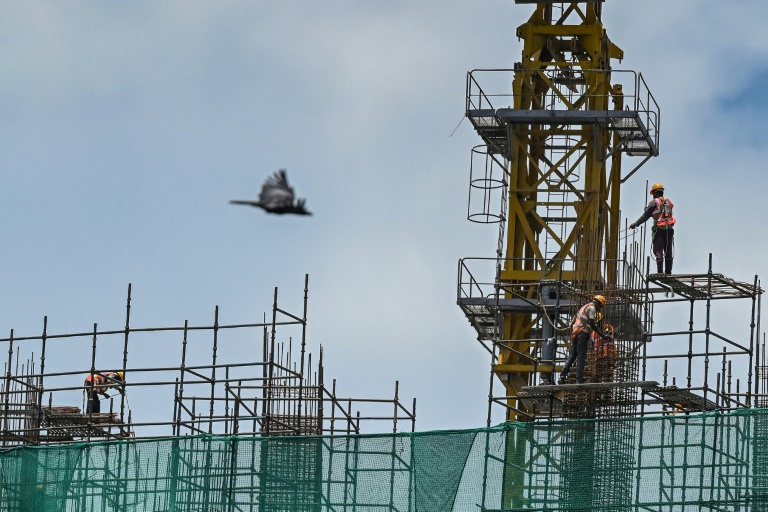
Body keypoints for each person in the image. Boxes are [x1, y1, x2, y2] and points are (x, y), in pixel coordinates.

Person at [629, 182, 676, 275]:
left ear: (655, 192)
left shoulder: (654, 202)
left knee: (658, 250)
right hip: (669, 229)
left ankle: (660, 272)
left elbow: (645, 216)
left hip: (659, 229)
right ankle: (668, 272)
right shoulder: (669, 202)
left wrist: (635, 224)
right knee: (668, 250)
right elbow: (663, 214)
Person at [559, 295, 607, 384]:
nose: (600, 309)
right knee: (581, 356)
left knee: (573, 355)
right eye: (600, 306)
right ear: (598, 303)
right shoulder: (592, 308)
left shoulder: (584, 307)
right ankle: (579, 379)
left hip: (576, 332)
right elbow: (592, 324)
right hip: (582, 333)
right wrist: (602, 335)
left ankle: (562, 376)